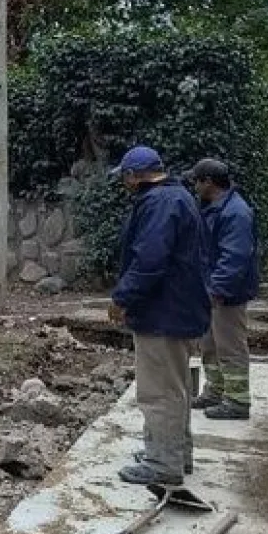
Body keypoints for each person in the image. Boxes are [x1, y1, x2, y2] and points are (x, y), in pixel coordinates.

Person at [107, 146, 210, 486]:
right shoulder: (177, 197)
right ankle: (176, 454)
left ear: (134, 176)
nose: (124, 184)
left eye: (125, 177)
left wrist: (122, 297)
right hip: (176, 308)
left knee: (159, 390)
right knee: (175, 387)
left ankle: (163, 464)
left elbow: (149, 260)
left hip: (162, 312)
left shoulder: (158, 204)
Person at [188, 158, 258, 420]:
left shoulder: (235, 213)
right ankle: (214, 391)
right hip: (211, 290)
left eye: (196, 180)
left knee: (230, 346)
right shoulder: (214, 208)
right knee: (210, 345)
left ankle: (238, 401)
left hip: (227, 294)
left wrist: (217, 291)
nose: (194, 185)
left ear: (208, 182)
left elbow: (235, 257)